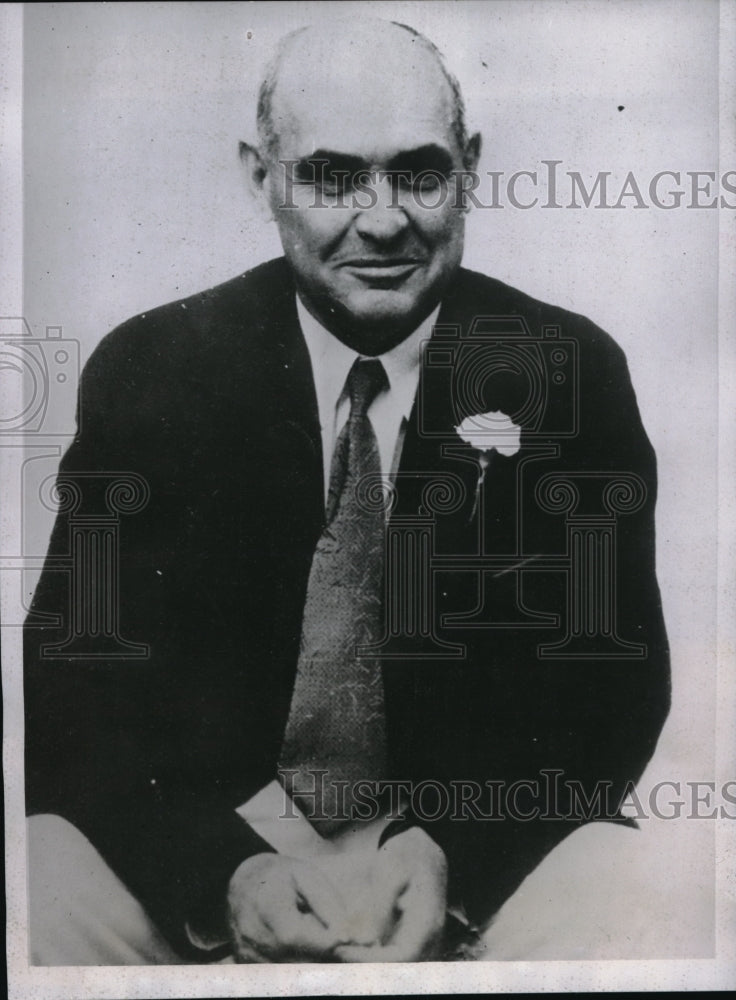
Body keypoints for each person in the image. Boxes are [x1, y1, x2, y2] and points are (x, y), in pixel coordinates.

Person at [24, 18, 670, 964]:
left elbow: (615, 695)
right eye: (332, 175)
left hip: (455, 854)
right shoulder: (154, 371)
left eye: (420, 171)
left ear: (471, 168)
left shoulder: (567, 371)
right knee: (35, 875)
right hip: (220, 854)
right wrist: (224, 873)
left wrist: (457, 856)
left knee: (643, 888)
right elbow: (69, 696)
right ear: (262, 176)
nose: (381, 218)